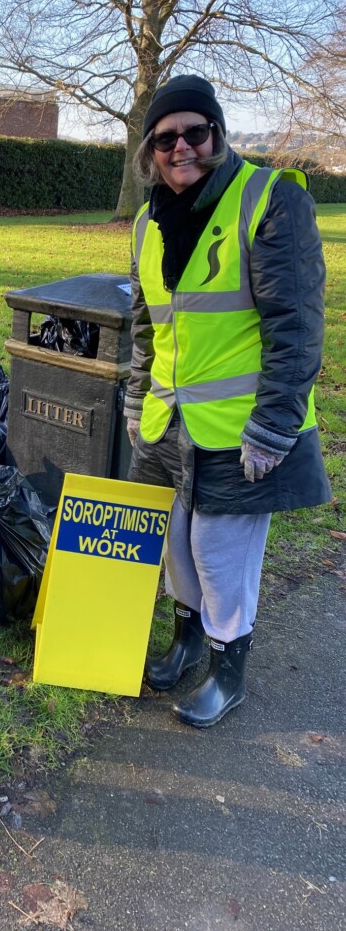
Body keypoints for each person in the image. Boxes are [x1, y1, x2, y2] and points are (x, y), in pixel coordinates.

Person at [124, 74, 330, 728]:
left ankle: (226, 667)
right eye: (166, 138)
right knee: (175, 546)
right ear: (150, 150)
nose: (181, 147)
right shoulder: (147, 222)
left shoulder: (268, 200)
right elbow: (144, 324)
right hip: (168, 418)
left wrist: (274, 426)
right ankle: (187, 638)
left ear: (218, 133)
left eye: (196, 132)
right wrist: (136, 400)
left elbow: (295, 323)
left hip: (242, 428)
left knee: (219, 551)